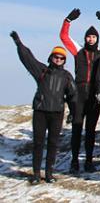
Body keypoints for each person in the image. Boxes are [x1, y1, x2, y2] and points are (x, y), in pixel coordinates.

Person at [11, 31, 77, 184]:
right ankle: (35, 174)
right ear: (51, 57)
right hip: (40, 112)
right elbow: (28, 59)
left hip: (57, 113)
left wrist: (73, 113)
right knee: (38, 143)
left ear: (64, 60)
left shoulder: (67, 76)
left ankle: (49, 173)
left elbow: (73, 96)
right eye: (56, 56)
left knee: (53, 144)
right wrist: (19, 44)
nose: (58, 59)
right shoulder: (41, 71)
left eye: (61, 58)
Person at [59, 8, 100, 173]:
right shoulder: (78, 51)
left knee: (91, 130)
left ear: (97, 39)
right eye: (88, 36)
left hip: (94, 94)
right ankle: (74, 161)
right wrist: (68, 20)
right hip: (79, 93)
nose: (91, 39)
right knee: (77, 129)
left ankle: (89, 161)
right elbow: (64, 37)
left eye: (93, 37)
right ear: (85, 38)